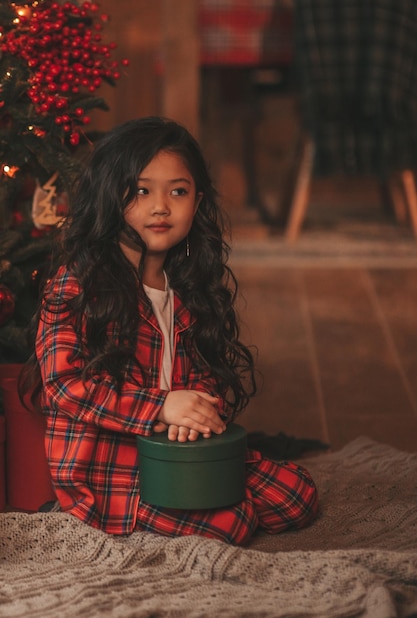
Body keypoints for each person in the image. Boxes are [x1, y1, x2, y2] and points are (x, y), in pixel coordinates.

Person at [21, 117, 318, 545]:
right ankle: (96, 516)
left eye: (178, 191)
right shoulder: (79, 283)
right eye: (142, 191)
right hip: (112, 470)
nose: (161, 206)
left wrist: (194, 413)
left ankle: (215, 499)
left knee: (298, 493)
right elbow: (66, 384)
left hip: (177, 452)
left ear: (196, 203)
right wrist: (160, 407)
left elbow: (203, 372)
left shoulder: (187, 286)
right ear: (110, 195)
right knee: (228, 522)